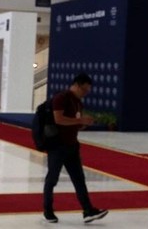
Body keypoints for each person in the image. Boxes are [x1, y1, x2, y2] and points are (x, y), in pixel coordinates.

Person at [43, 73, 108, 224]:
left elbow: (73, 123)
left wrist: (83, 124)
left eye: (88, 91)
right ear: (77, 85)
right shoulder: (61, 98)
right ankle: (48, 210)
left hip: (72, 145)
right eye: (84, 90)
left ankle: (88, 210)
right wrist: (80, 120)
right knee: (52, 179)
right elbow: (58, 119)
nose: (85, 93)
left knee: (79, 179)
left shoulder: (78, 102)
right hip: (57, 146)